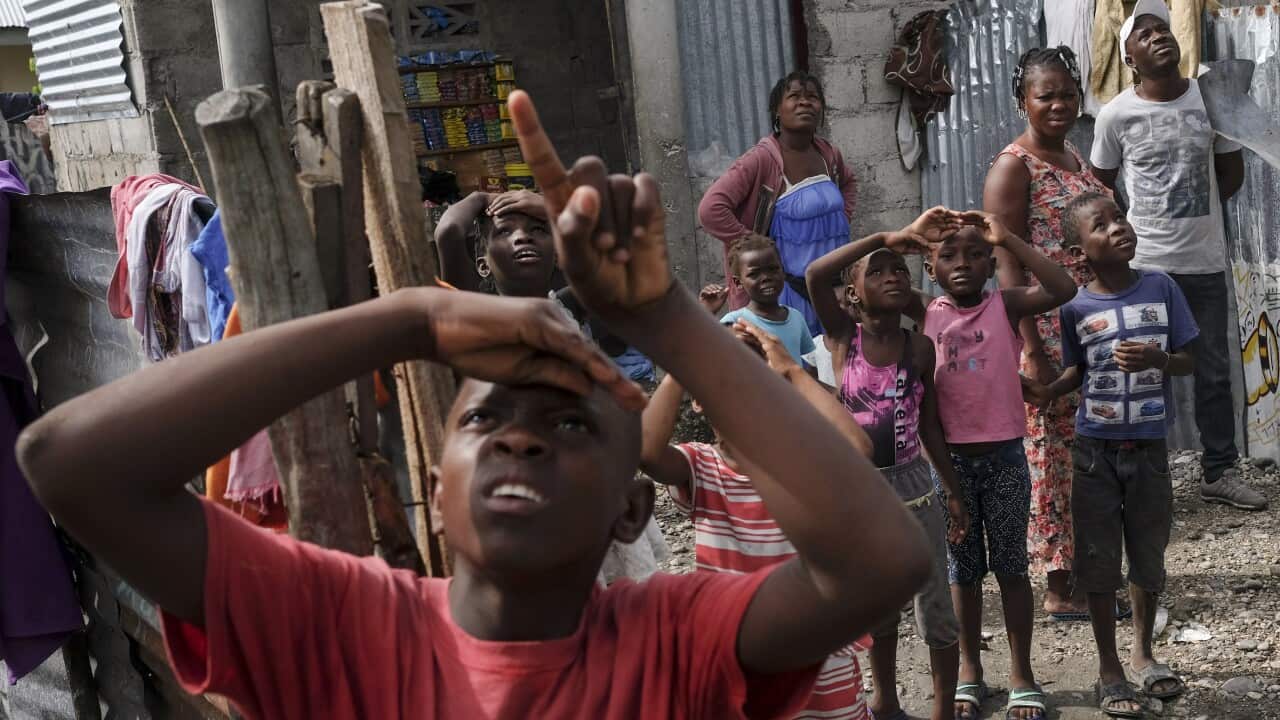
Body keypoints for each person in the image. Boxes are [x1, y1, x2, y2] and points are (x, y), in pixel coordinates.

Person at [17, 90, 933, 720]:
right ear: (436, 481)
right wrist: (408, 317)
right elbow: (68, 462)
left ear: (632, 505)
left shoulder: (676, 638)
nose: (521, 441)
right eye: (484, 419)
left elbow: (881, 561)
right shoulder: (344, 624)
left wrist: (665, 318)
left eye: (571, 424)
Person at [640, 319, 874, 720]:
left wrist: (793, 371)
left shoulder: (802, 461)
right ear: (698, 398)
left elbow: (859, 449)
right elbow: (645, 450)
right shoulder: (702, 465)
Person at [1090, 0, 1265, 511]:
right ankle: (1146, 476)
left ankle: (1217, 471)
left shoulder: (1210, 101)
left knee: (1211, 368)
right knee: (1143, 368)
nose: (1157, 36)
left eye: (1161, 29)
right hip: (1145, 265)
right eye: (1143, 35)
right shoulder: (1116, 114)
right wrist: (1137, 228)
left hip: (1204, 260)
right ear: (1129, 59)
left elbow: (1230, 175)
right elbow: (1100, 188)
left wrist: (1198, 215)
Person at [910, 211, 1076, 720]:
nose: (962, 264)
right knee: (962, 571)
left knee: (1010, 566)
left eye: (976, 253)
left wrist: (1007, 238)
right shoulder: (923, 312)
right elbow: (836, 285)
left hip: (1004, 458)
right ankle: (969, 670)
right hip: (948, 463)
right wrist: (904, 236)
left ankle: (1022, 672)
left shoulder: (1005, 306)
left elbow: (1062, 286)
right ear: (929, 265)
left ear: (990, 262)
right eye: (948, 256)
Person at [806, 210, 970, 720]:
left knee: (934, 600)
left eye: (899, 269)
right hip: (859, 489)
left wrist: (954, 490)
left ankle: (943, 706)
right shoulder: (841, 338)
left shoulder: (918, 347)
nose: (892, 276)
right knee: (876, 601)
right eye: (876, 272)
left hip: (915, 485)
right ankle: (887, 701)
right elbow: (814, 276)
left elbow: (928, 426)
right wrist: (881, 238)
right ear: (852, 295)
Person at [1045, 191, 1195, 718]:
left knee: (1148, 557)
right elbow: (1073, 374)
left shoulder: (1162, 286)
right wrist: (1040, 390)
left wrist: (1158, 357)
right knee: (1099, 563)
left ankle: (1145, 655)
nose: (1117, 228)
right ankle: (1110, 668)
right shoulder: (1076, 307)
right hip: (1095, 455)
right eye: (1100, 225)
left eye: (1119, 218)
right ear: (1077, 248)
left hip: (1150, 451)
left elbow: (1189, 360)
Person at [983, 46, 1116, 619]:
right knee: (1050, 456)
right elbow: (1006, 262)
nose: (1059, 104)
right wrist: (1030, 347)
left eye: (1067, 93)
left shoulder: (1073, 155)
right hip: (1049, 327)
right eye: (1046, 95)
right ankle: (1059, 586)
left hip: (1092, 324)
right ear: (1022, 101)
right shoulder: (1014, 165)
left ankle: (1089, 571)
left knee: (1086, 452)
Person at [699, 71, 857, 334]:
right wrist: (753, 243)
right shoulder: (762, 160)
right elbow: (710, 210)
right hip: (786, 294)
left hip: (831, 289)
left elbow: (849, 183)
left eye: (812, 97)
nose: (804, 102)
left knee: (833, 364)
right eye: (794, 96)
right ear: (776, 111)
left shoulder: (828, 155)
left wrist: (842, 218)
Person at [720, 234, 816, 366]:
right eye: (754, 274)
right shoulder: (734, 322)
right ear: (738, 282)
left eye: (773, 269)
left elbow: (807, 366)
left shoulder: (796, 317)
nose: (766, 278)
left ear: (783, 271)